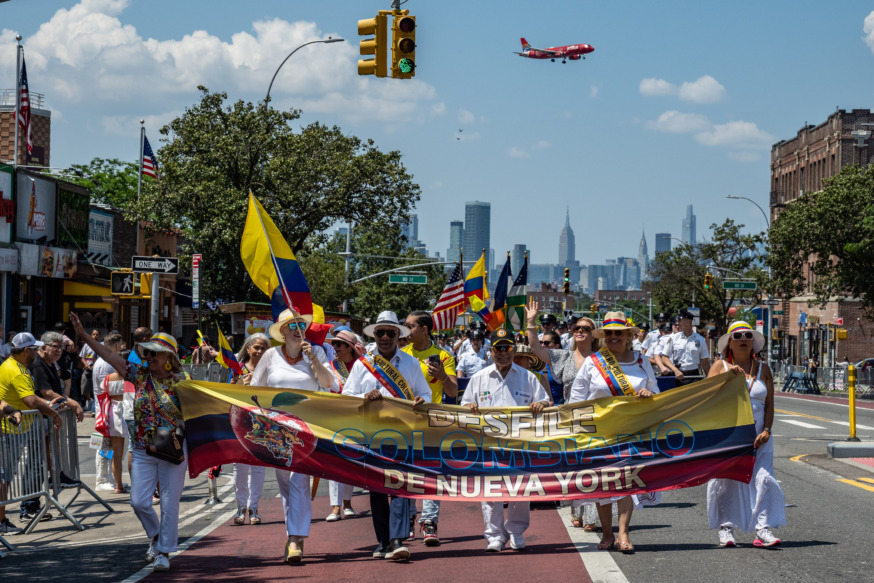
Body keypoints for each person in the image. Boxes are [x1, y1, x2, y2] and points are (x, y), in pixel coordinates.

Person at [70, 313, 187, 573]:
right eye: (148, 352)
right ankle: (156, 537)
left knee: (169, 502)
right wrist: (84, 337)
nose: (151, 357)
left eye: (157, 353)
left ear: (170, 358)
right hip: (144, 448)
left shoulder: (184, 384)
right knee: (139, 502)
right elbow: (108, 356)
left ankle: (164, 552)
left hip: (173, 449)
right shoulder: (137, 373)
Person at [250, 309, 337, 563]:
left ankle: (295, 539)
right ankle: (294, 534)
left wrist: (314, 360)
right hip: (276, 430)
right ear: (283, 332)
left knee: (299, 481)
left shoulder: (317, 352)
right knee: (285, 483)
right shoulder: (270, 355)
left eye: (301, 324)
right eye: (292, 325)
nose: (298, 329)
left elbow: (330, 383)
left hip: (307, 430)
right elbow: (256, 389)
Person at [342, 311, 429, 561]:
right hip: (371, 434)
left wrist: (422, 399)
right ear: (375, 336)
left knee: (399, 486)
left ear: (397, 336)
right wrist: (364, 396)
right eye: (380, 333)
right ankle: (382, 541)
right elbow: (347, 397)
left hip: (402, 433)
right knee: (377, 488)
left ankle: (397, 540)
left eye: (391, 333)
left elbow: (425, 393)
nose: (385, 337)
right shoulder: (363, 364)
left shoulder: (412, 364)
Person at [569, 312, 658, 553]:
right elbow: (577, 398)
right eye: (608, 333)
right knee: (603, 484)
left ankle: (624, 534)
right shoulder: (593, 361)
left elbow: (656, 393)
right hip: (599, 433)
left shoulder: (642, 361)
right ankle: (607, 534)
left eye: (618, 332)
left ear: (628, 336)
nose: (613, 337)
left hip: (631, 431)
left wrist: (649, 396)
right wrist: (579, 432)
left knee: (626, 482)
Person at [461, 329, 549, 552]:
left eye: (507, 348)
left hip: (520, 445)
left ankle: (516, 532)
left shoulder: (528, 377)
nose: (503, 353)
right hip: (489, 445)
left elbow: (546, 401)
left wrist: (542, 405)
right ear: (490, 351)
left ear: (514, 349)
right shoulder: (479, 378)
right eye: (498, 348)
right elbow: (463, 405)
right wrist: (469, 407)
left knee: (520, 489)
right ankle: (495, 536)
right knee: (490, 491)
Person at [706, 321, 785, 548]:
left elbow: (769, 405)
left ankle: (762, 528)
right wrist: (727, 376)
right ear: (729, 342)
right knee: (726, 482)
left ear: (753, 342)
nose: (743, 339)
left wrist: (767, 430)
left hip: (760, 437)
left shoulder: (764, 369)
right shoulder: (720, 366)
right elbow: (705, 397)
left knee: (764, 479)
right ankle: (726, 529)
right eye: (737, 335)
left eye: (747, 336)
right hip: (729, 436)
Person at [0, 333, 66, 533]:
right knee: (4, 478)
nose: (37, 352)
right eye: (35, 349)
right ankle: (1, 520)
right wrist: (53, 413)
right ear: (26, 350)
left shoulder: (10, 366)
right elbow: (30, 400)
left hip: (13, 428)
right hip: (9, 431)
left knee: (5, 477)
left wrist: (46, 406)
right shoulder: (17, 370)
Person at [403, 311, 458, 546]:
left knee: (432, 473)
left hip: (432, 423)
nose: (405, 331)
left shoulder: (443, 355)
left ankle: (429, 521)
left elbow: (453, 392)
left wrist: (444, 377)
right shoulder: (401, 355)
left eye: (410, 326)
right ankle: (407, 517)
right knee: (404, 473)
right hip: (403, 423)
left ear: (424, 329)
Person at [226, 332, 271, 526]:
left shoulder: (272, 370)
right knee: (239, 465)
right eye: (257, 347)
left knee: (259, 465)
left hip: (262, 422)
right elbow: (227, 392)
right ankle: (240, 507)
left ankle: (254, 508)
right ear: (248, 349)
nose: (259, 351)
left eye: (263, 348)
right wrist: (239, 385)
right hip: (240, 421)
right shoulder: (237, 369)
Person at [324, 328, 365, 522]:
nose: (335, 348)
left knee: (351, 460)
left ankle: (347, 502)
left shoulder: (364, 366)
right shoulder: (329, 366)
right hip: (335, 418)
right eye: (333, 344)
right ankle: (335, 506)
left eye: (339, 344)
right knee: (334, 462)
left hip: (359, 419)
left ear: (349, 347)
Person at [93, 333, 124, 491]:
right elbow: (108, 388)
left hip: (104, 409)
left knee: (107, 446)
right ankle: (102, 479)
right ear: (117, 346)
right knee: (103, 446)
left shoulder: (104, 361)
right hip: (104, 410)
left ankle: (107, 477)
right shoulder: (106, 363)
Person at [102, 351, 132, 495]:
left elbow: (103, 395)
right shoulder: (131, 376)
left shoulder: (108, 378)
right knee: (134, 451)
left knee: (117, 454)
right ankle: (137, 485)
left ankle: (118, 485)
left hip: (113, 413)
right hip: (129, 411)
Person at [655, 309, 710, 385]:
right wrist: (675, 370)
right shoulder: (674, 338)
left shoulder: (700, 340)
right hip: (678, 376)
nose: (678, 323)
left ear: (688, 321)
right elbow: (664, 358)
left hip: (695, 376)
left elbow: (705, 363)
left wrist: (710, 380)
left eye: (680, 320)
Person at [79, 328, 102, 412]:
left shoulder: (101, 346)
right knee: (84, 387)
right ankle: (89, 400)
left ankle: (94, 407)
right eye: (93, 334)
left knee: (96, 388)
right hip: (87, 369)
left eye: (97, 334)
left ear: (99, 336)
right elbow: (81, 357)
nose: (95, 336)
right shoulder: (86, 345)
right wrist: (86, 365)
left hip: (97, 370)